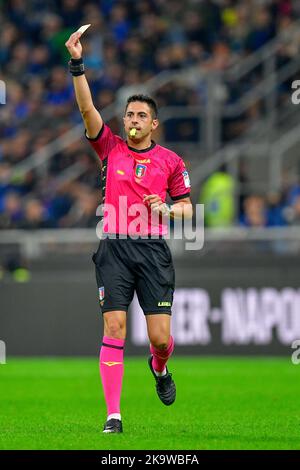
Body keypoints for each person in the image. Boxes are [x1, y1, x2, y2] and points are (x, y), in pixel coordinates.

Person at [65, 29, 193, 434]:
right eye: (129, 114)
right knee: (115, 327)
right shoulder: (110, 148)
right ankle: (114, 416)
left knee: (159, 339)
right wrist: (77, 65)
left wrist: (169, 208)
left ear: (153, 124)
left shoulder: (171, 161)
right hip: (114, 250)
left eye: (141, 116)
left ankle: (160, 367)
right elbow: (87, 110)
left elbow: (189, 210)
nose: (133, 120)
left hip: (153, 251)